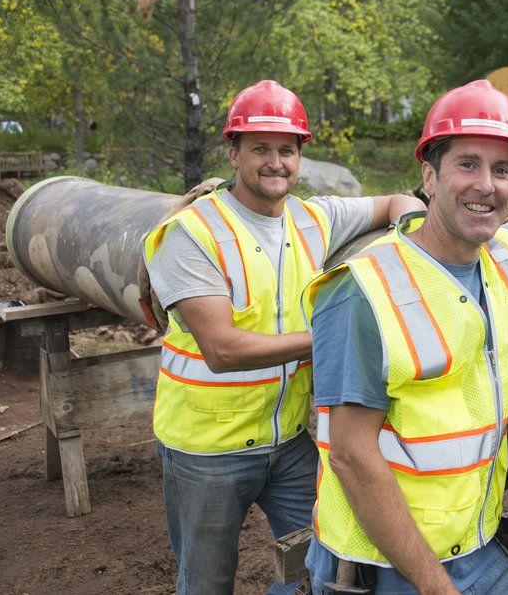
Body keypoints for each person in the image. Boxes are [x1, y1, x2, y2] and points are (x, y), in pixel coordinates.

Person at [302, 80, 508, 594]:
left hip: (474, 541)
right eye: (468, 164)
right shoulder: (363, 292)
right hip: (386, 563)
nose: (487, 185)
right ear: (429, 176)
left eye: (501, 169)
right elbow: (351, 454)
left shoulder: (507, 252)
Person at [142, 79, 425, 595]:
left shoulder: (314, 218)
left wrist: (411, 226)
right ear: (233, 153)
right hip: (207, 450)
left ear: (300, 157)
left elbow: (394, 202)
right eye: (261, 149)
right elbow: (222, 350)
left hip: (291, 440)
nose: (276, 163)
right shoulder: (192, 233)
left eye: (287, 150)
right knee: (205, 583)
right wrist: (329, 339)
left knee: (323, 556)